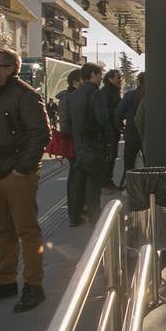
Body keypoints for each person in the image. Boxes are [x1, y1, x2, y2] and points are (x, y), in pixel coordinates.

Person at [0, 49, 51, 313]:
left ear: (9, 68)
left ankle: (33, 285)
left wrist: (22, 169)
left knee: (26, 230)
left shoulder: (26, 95)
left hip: (15, 175)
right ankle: (6, 280)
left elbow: (41, 133)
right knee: (2, 228)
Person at [64, 62, 112, 226]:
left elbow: (67, 123)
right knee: (94, 183)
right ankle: (94, 217)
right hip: (94, 144)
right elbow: (102, 120)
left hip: (79, 144)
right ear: (92, 75)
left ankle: (74, 217)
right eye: (99, 75)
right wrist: (109, 140)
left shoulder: (72, 96)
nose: (100, 79)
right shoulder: (96, 94)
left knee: (78, 182)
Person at [115, 72, 144, 185]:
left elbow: (118, 113)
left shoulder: (129, 95)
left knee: (129, 163)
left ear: (138, 81)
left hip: (132, 133)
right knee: (150, 164)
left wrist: (121, 127)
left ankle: (130, 186)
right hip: (148, 134)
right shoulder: (154, 95)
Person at [100, 69, 124, 190]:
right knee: (108, 157)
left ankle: (108, 181)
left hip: (114, 129)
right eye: (118, 78)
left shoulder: (114, 91)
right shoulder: (106, 92)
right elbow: (104, 111)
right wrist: (118, 111)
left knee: (112, 156)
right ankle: (105, 183)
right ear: (110, 79)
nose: (120, 80)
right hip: (108, 130)